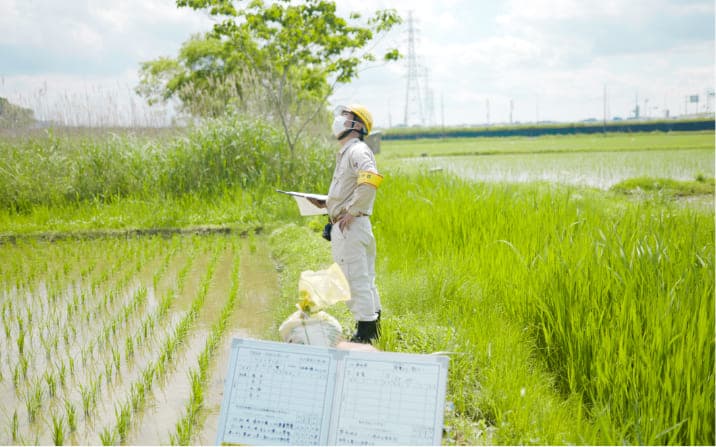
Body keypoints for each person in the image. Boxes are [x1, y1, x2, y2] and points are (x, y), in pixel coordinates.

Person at [309, 104, 383, 344]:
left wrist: (352, 211)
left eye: (345, 117)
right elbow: (352, 187)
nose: (339, 120)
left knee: (352, 279)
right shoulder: (347, 152)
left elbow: (370, 179)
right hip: (353, 225)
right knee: (364, 277)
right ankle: (374, 323)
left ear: (357, 125)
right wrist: (327, 204)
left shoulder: (357, 151)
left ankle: (365, 333)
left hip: (351, 226)